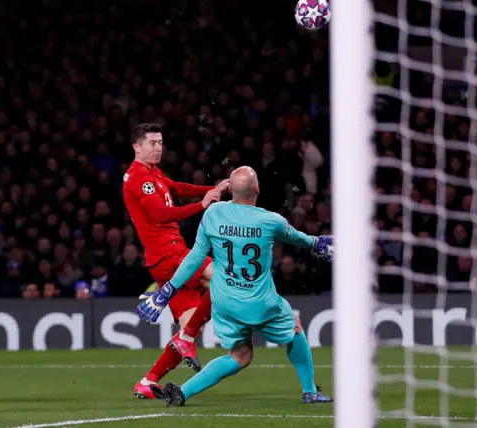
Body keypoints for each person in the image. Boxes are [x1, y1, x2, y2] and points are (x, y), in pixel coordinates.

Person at [136, 166, 334, 406]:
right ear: (257, 189)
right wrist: (316, 244)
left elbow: (195, 257)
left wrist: (168, 290)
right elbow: (298, 239)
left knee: (241, 355)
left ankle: (182, 391)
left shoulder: (214, 214)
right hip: (259, 301)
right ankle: (310, 391)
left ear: (229, 189)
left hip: (224, 302)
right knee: (294, 329)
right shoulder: (271, 220)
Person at [123, 122, 229, 399]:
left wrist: (214, 189)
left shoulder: (153, 173)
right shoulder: (137, 178)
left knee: (190, 326)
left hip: (169, 255)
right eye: (152, 143)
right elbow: (159, 215)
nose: (158, 148)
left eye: (160, 142)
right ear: (137, 146)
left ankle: (148, 381)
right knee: (223, 276)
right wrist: (203, 205)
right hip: (169, 255)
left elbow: (177, 188)